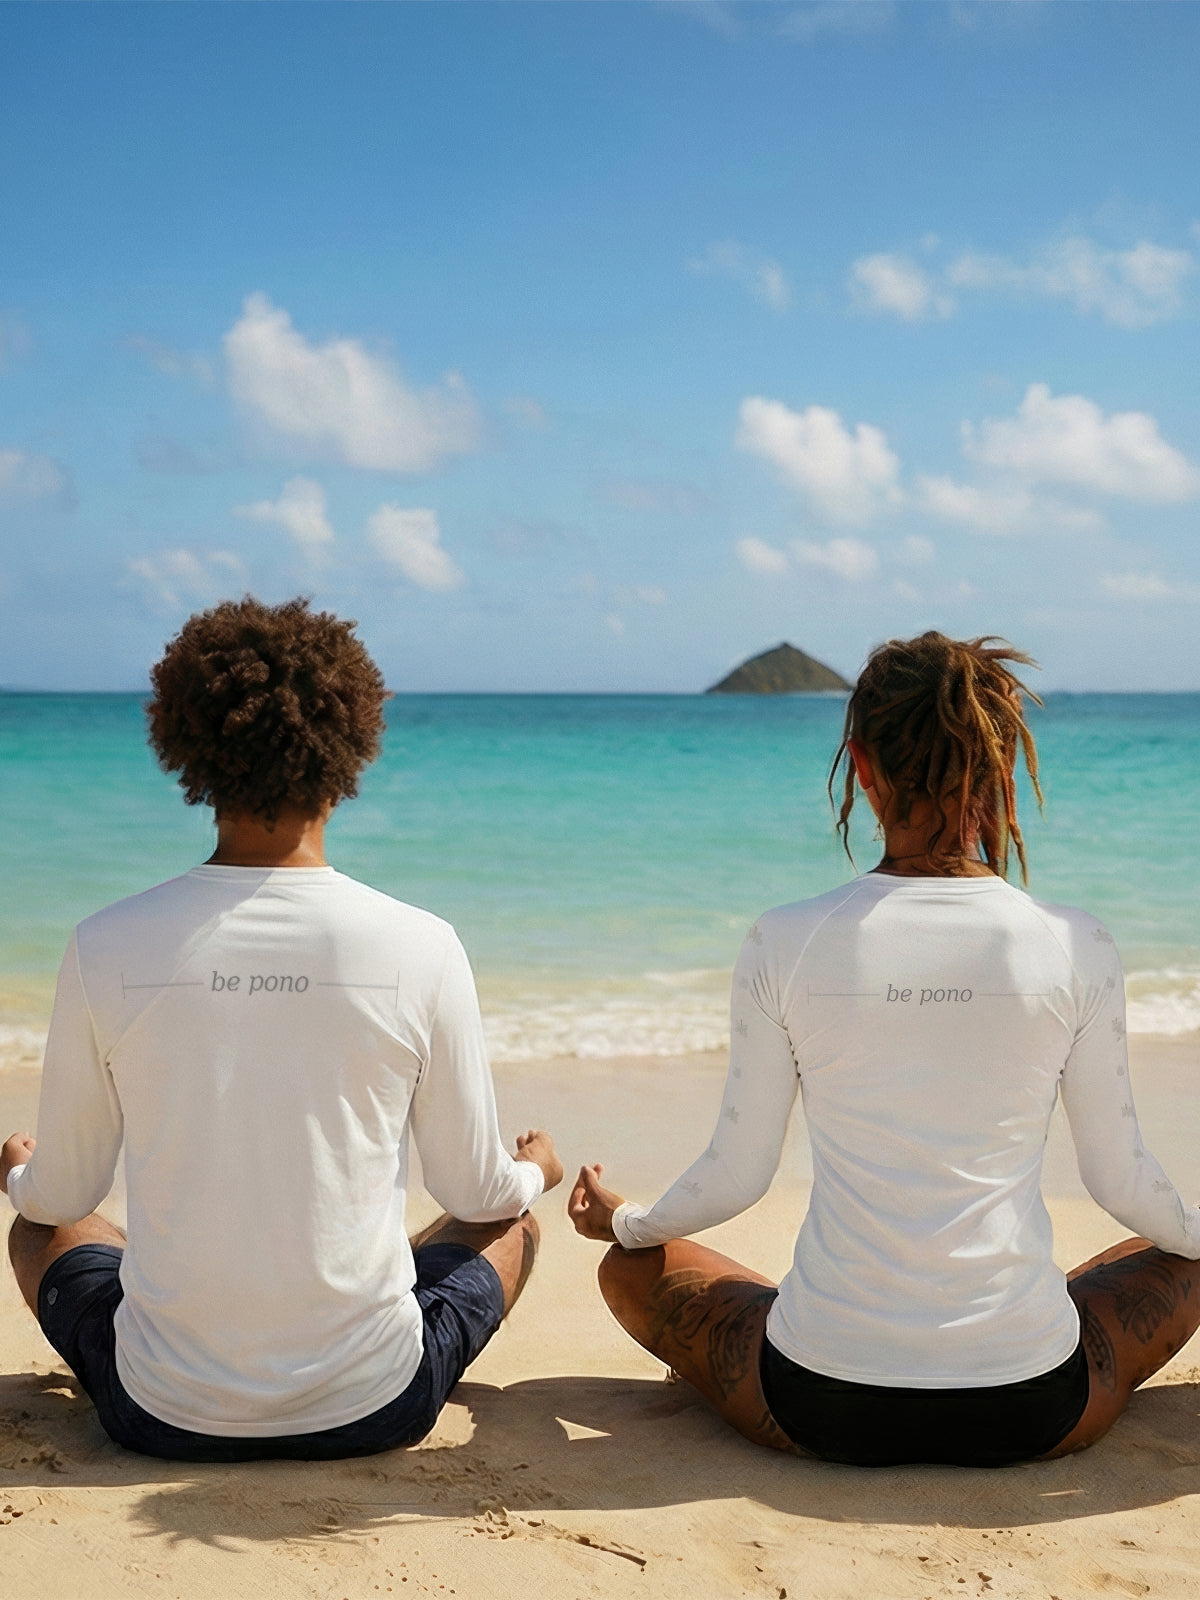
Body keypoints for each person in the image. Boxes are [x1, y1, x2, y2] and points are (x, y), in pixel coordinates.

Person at [569, 631, 1200, 1467]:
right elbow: (1120, 1181)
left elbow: (739, 1174)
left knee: (630, 1267)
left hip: (821, 1401)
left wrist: (629, 1219)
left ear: (862, 768)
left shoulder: (786, 940)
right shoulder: (1074, 944)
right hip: (1031, 1404)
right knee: (1176, 1255)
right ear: (1001, 767)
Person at [2, 596, 561, 1461]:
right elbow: (477, 1190)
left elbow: (62, 1197)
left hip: (161, 1415)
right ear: (348, 750)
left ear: (190, 750)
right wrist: (536, 1172)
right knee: (512, 1221)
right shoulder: (422, 945)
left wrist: (16, 1175)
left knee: (42, 1228)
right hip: (372, 1409)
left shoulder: (103, 944)